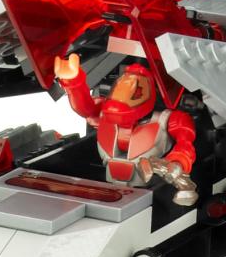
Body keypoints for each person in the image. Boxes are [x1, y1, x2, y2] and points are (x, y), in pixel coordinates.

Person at [53, 55, 197, 202]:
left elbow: (185, 143)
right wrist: (73, 82)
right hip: (107, 188)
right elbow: (86, 108)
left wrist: (177, 162)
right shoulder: (107, 114)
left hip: (150, 188)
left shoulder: (167, 119)